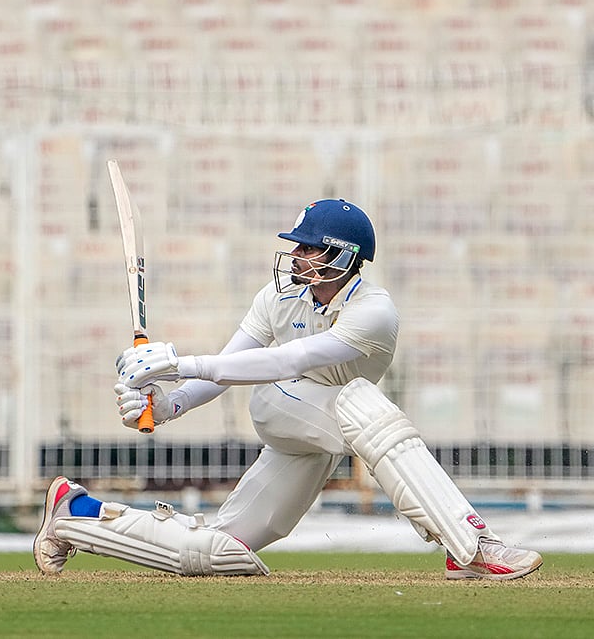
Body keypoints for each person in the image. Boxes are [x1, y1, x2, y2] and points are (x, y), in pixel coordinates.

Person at [34, 198, 542, 580]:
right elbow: (236, 365)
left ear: (343, 255)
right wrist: (170, 402)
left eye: (307, 246)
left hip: (329, 425)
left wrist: (176, 362)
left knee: (217, 550)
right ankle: (472, 547)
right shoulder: (276, 297)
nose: (295, 256)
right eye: (295, 246)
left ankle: (75, 515)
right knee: (362, 405)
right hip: (283, 405)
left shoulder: (374, 310)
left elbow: (295, 356)